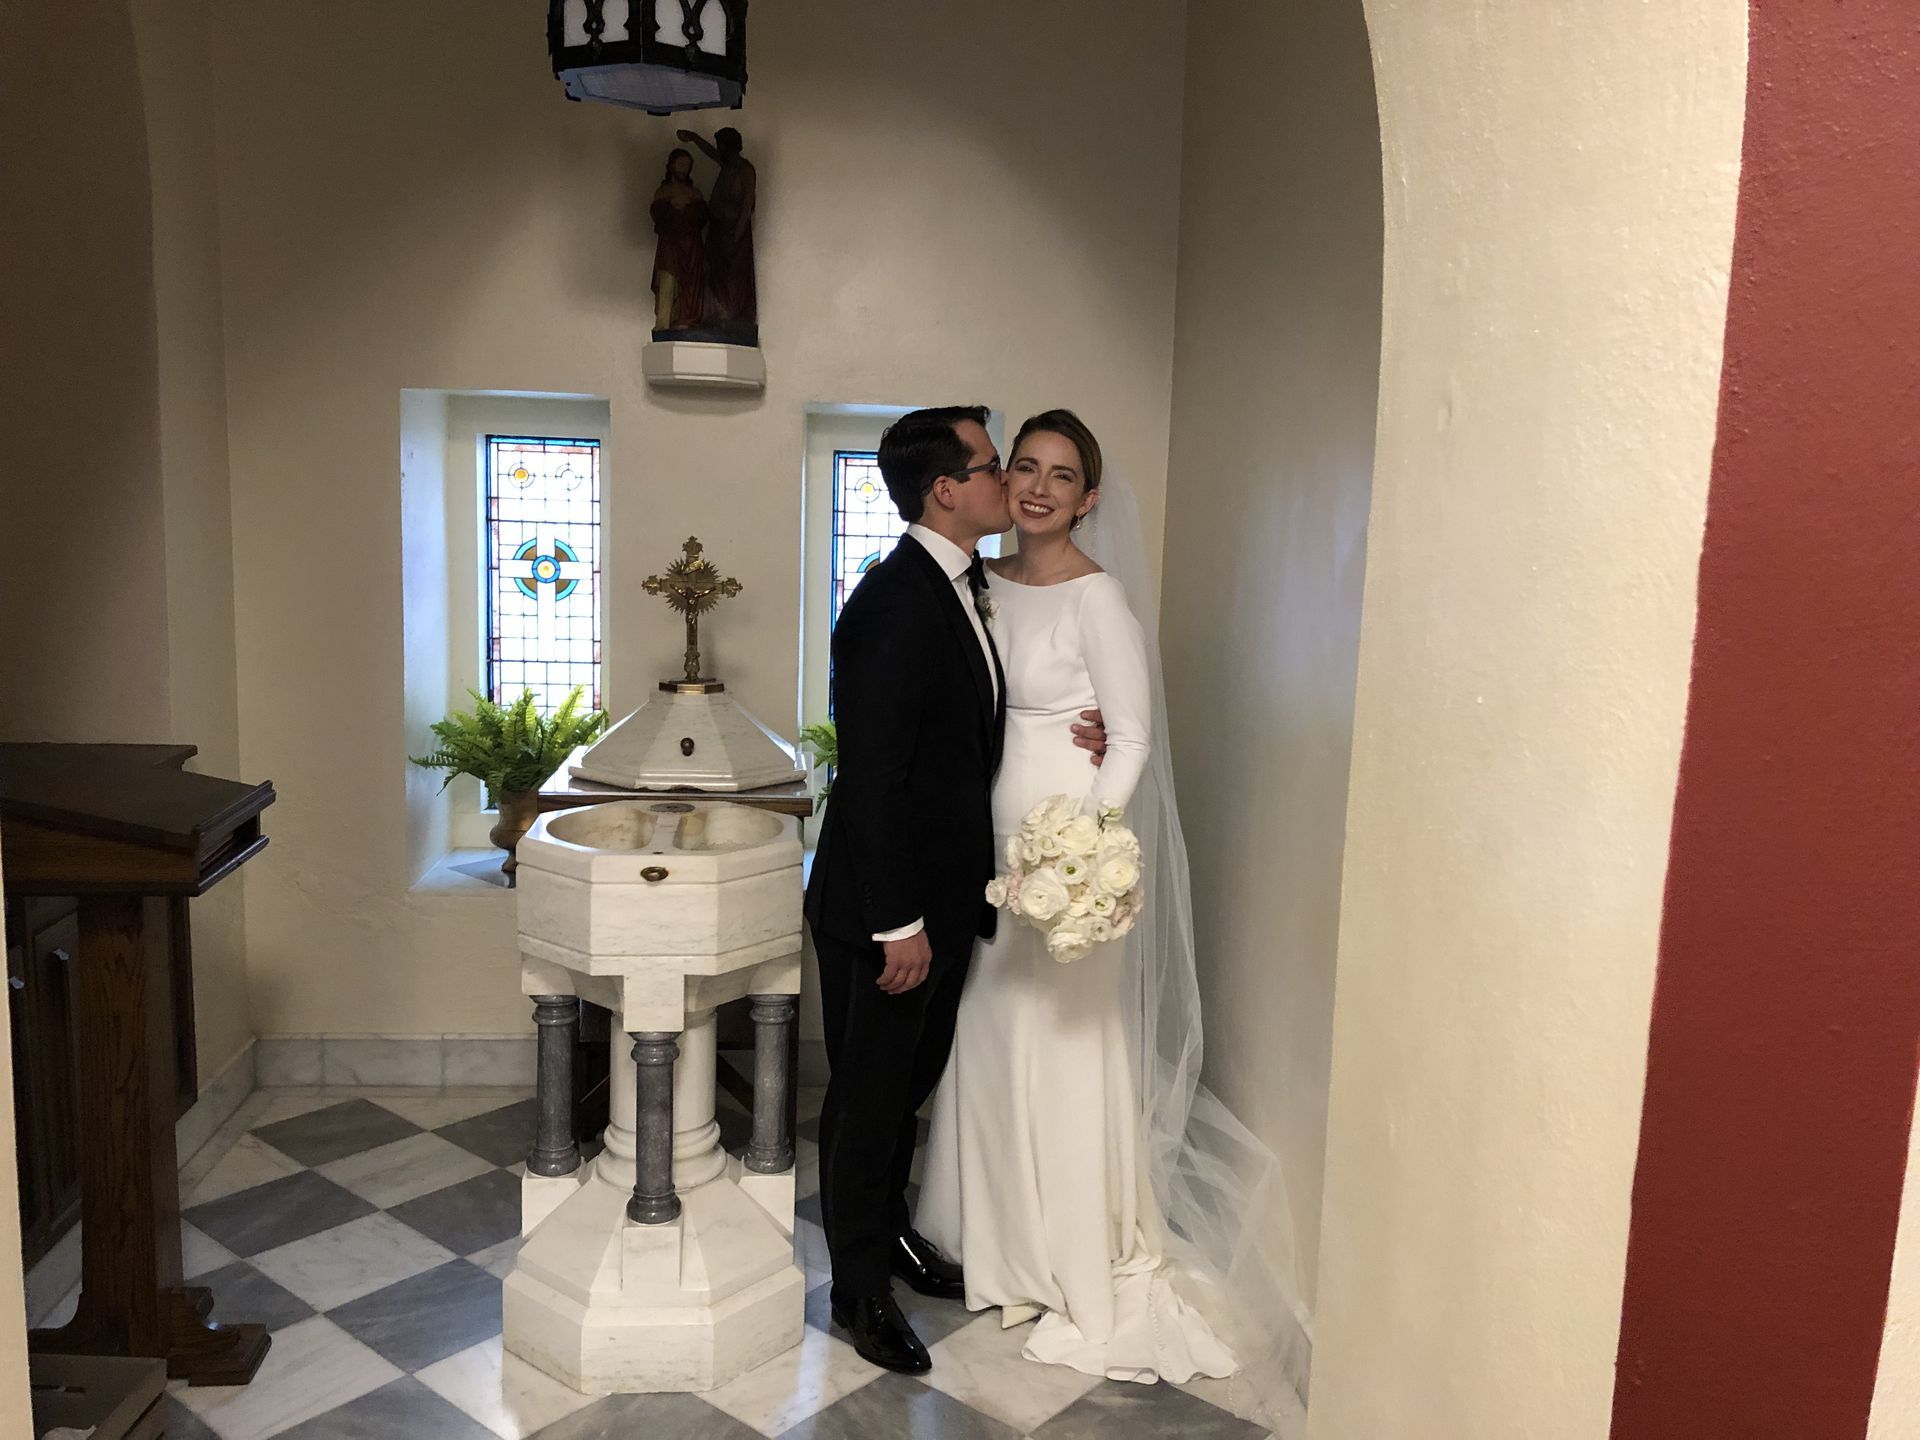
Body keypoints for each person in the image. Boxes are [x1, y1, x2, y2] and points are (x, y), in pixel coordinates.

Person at [918, 409, 1291, 1405]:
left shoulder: (1099, 600)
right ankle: (986, 1240)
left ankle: (1068, 1246)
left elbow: (1127, 739)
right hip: (980, 860)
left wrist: (1080, 853)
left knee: (1068, 1048)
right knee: (988, 1037)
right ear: (1001, 483)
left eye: (1062, 475)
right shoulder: (975, 585)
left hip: (1061, 866)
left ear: (1089, 498)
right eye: (1024, 467)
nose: (1038, 487)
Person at [802, 406, 1105, 1375]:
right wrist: (899, 925)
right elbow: (876, 777)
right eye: (990, 465)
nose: (1007, 485)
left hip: (937, 902)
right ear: (947, 487)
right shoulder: (892, 604)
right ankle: (857, 1291)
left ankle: (886, 1235)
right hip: (883, 914)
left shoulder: (962, 589)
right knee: (866, 1098)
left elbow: (973, 734)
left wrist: (1085, 730)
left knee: (903, 1093)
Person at [675, 126, 756, 339]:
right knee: (713, 272)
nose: (719, 149)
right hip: (718, 230)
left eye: (722, 145)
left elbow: (747, 202)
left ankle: (732, 314)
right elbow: (709, 151)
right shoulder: (726, 164)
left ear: (731, 146)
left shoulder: (745, 169)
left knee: (734, 275)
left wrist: (738, 231)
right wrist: (693, 137)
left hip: (734, 233)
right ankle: (717, 313)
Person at [649, 147, 707, 334]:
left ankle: (686, 319)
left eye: (687, 165)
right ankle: (664, 322)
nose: (684, 168)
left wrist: (686, 208)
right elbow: (658, 215)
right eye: (680, 164)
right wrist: (674, 208)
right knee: (668, 279)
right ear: (672, 165)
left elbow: (702, 217)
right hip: (671, 244)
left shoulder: (695, 193)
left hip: (691, 246)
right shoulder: (663, 191)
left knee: (691, 284)